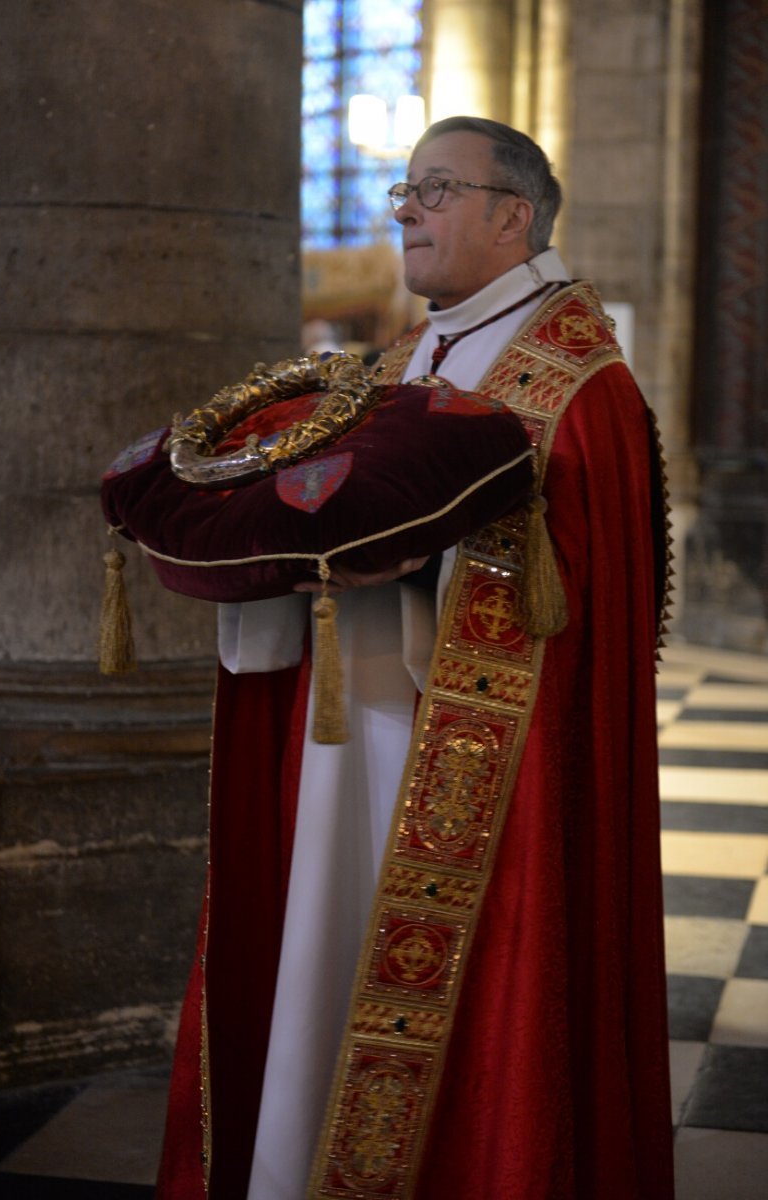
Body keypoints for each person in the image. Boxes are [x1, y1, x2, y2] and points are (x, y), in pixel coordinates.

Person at [155, 117, 675, 1200]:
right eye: (404, 189)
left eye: (434, 190)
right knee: (324, 964)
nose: (404, 213)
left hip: (474, 781)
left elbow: (562, 606)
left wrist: (384, 561)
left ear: (510, 214)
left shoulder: (577, 382)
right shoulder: (400, 360)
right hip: (350, 744)